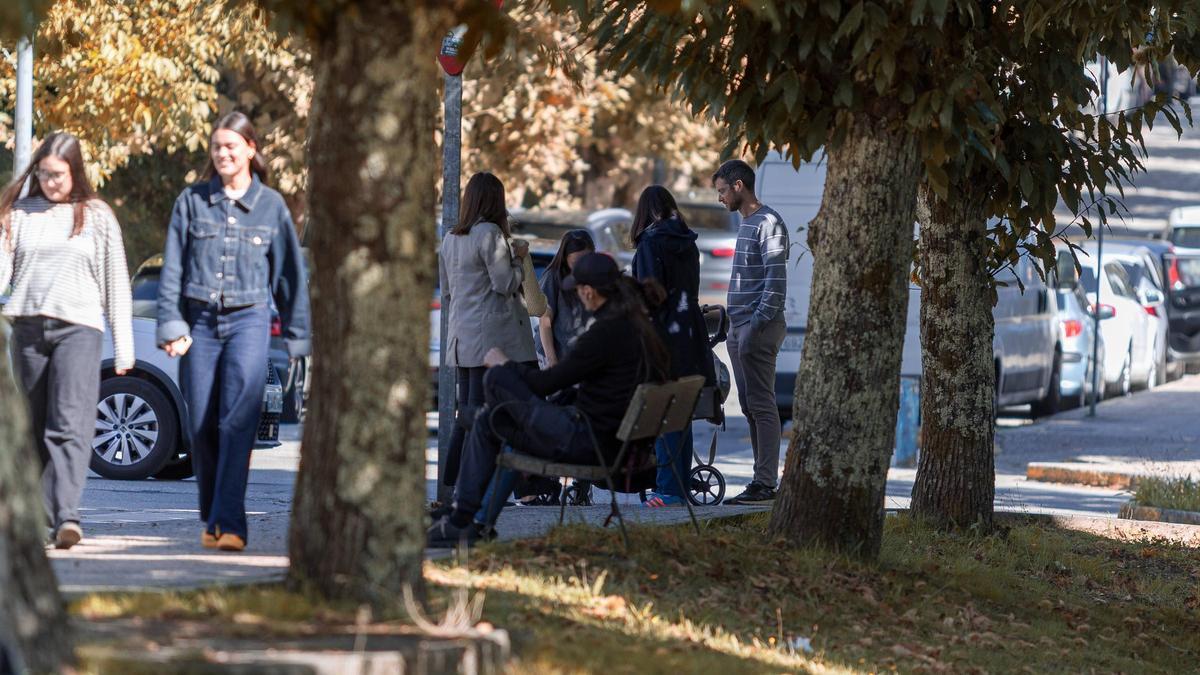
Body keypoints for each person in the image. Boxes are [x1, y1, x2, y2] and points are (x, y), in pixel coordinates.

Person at [427, 253, 668, 546]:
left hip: (586, 441)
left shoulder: (605, 334)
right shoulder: (637, 327)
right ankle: (467, 520)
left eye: (577, 291)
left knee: (493, 390)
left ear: (588, 292)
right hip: (612, 441)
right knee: (492, 421)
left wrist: (504, 364)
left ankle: (462, 519)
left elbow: (546, 382)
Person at [156, 111, 310, 552]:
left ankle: (232, 522)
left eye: (231, 146)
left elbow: (290, 278)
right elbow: (173, 269)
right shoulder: (192, 201)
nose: (223, 154)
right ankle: (212, 516)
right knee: (202, 423)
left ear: (250, 149)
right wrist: (173, 324)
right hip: (199, 325)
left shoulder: (271, 207)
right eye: (217, 147)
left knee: (236, 422)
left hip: (249, 320)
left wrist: (299, 340)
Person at [0, 132, 134, 550]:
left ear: (74, 172)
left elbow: (115, 283)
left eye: (56, 175)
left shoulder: (96, 215)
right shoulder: (18, 213)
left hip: (79, 328)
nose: (49, 182)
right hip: (28, 329)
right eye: (41, 174)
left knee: (69, 425)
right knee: (35, 425)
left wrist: (124, 345)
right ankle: (39, 514)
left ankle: (66, 517)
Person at [439, 172, 537, 489]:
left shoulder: (451, 238)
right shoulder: (490, 233)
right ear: (496, 200)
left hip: (461, 338)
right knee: (484, 414)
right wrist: (519, 259)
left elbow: (446, 291)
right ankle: (474, 484)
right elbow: (505, 284)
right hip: (491, 341)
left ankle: (454, 481)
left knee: (467, 413)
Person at [629, 186, 715, 507]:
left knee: (664, 411)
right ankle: (679, 486)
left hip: (663, 333)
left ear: (646, 212)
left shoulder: (652, 242)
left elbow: (652, 293)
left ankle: (667, 489)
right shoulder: (687, 242)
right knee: (681, 411)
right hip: (690, 330)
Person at [712, 159, 788, 505]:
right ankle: (762, 480)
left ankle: (765, 482)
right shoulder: (747, 224)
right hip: (739, 328)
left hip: (757, 329)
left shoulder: (768, 222)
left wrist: (755, 326)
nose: (720, 198)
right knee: (749, 406)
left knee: (762, 404)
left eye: (723, 191)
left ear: (739, 186)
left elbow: (775, 284)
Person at [536, 229, 595, 367]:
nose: (581, 266)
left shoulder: (595, 275)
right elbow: (544, 321)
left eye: (586, 259)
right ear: (564, 258)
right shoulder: (552, 277)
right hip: (556, 354)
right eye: (576, 262)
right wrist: (552, 360)